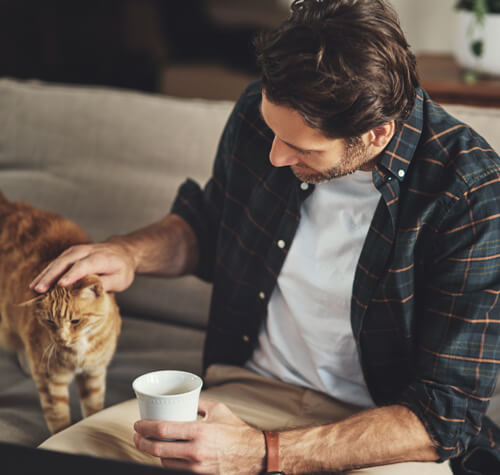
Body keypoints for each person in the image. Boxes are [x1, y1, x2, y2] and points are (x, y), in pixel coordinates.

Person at [32, 0, 500, 474]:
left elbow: (442, 419)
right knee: (61, 461)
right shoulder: (263, 115)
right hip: (242, 393)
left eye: (299, 146)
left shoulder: (470, 194)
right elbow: (212, 223)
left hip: (379, 434)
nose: (275, 155)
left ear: (375, 135)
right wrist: (128, 254)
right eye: (273, 130)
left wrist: (262, 452)